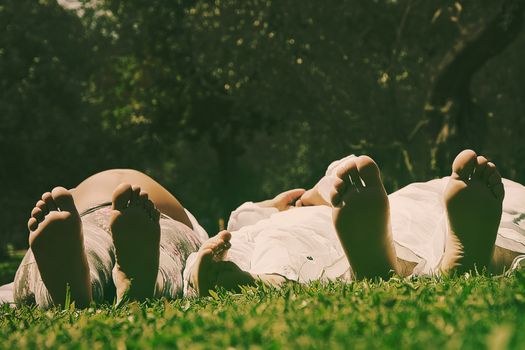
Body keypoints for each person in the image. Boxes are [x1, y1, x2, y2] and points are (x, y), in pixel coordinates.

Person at [185, 150, 525, 296]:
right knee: (283, 235)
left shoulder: (257, 221)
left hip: (293, 230)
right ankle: (462, 257)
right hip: (306, 223)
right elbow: (344, 171)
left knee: (281, 244)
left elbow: (345, 170)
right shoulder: (259, 218)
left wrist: (310, 198)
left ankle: (262, 283)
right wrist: (304, 200)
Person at [2, 169, 208, 308]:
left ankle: (73, 291)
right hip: (158, 221)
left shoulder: (74, 201)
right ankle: (142, 285)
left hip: (86, 218)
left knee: (90, 248)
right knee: (166, 252)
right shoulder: (185, 220)